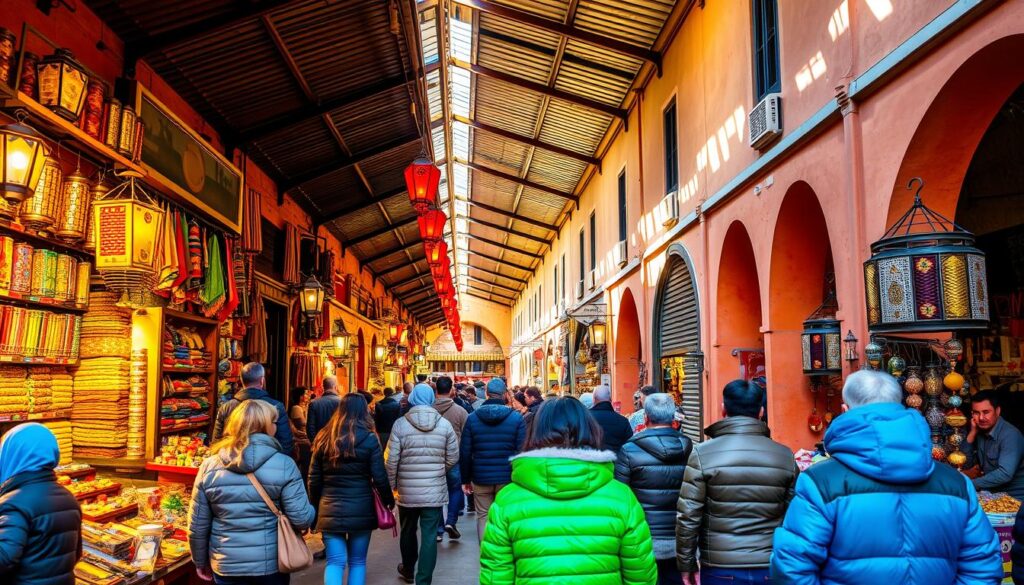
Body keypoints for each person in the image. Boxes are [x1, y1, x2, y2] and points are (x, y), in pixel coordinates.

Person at [771, 370, 1002, 585]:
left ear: (845, 410)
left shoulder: (820, 482)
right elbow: (982, 566)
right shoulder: (956, 484)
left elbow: (792, 567)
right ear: (898, 407)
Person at [479, 397, 657, 584]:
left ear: (535, 433)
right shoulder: (622, 498)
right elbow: (641, 575)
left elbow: (495, 576)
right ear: (591, 430)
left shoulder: (508, 501)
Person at [677, 380, 797, 585]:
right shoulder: (785, 456)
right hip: (770, 564)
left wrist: (686, 563)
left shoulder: (703, 453)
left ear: (723, 409)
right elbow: (794, 516)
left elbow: (688, 516)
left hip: (720, 566)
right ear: (760, 411)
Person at [189, 400, 315, 585]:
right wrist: (312, 511)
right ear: (267, 426)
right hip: (270, 564)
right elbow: (302, 517)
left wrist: (199, 560)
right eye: (273, 422)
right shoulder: (284, 464)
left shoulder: (210, 466)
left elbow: (197, 524)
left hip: (226, 562)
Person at [309, 394, 394, 585]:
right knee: (357, 561)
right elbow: (380, 476)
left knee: (335, 561)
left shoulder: (323, 437)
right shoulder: (370, 438)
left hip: (329, 507)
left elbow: (314, 480)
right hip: (361, 507)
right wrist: (388, 500)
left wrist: (314, 508)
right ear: (364, 411)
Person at [615, 394, 692, 585]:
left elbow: (621, 496)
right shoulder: (690, 448)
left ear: (646, 418)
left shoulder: (629, 450)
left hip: (643, 538)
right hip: (680, 539)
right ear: (673, 418)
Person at [386, 384, 459, 584]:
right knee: (429, 535)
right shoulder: (444, 425)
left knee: (408, 530)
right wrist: (438, 471)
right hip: (434, 491)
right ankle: (424, 579)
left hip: (407, 490)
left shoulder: (400, 424)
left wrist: (392, 486)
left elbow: (391, 460)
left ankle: (408, 568)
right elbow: (453, 456)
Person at [0, 423, 81, 585]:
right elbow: (76, 553)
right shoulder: (68, 497)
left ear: (12, 454)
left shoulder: (13, 503)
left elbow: (4, 559)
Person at [460, 377, 527, 540]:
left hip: (481, 476)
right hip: (507, 477)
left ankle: (485, 553)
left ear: (487, 394)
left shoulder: (472, 418)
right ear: (504, 394)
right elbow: (522, 451)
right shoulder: (516, 418)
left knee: (483, 516)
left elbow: (466, 451)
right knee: (506, 515)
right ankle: (503, 552)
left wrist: (465, 479)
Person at [213, 362, 293, 455]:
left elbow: (217, 442)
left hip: (232, 462)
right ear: (262, 381)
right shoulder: (276, 407)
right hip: (268, 461)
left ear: (241, 380)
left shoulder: (226, 407)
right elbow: (285, 444)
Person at [963, 390, 1024, 499]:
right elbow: (965, 464)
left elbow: (1005, 474)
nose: (981, 418)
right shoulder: (981, 431)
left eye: (986, 412)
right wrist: (972, 433)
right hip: (992, 494)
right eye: (976, 413)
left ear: (998, 411)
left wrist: (972, 484)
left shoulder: (1010, 435)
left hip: (1015, 498)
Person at [432, 376, 468, 542]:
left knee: (436, 492)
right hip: (454, 458)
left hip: (433, 458)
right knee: (454, 489)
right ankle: (451, 521)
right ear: (452, 390)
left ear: (436, 390)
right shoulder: (460, 411)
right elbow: (467, 436)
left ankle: (438, 529)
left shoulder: (429, 409)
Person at [589, 385, 633, 453]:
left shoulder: (584, 418)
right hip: (616, 461)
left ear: (594, 399)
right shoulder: (623, 421)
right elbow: (629, 446)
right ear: (610, 399)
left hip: (590, 461)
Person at [306, 376, 342, 445]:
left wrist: (315, 443)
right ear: (335, 387)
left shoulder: (314, 403)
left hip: (319, 443)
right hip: (337, 444)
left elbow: (310, 427)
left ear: (323, 387)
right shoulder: (342, 402)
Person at [289, 387, 312, 484]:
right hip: (301, 441)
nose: (307, 396)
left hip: (303, 440)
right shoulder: (296, 408)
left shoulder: (302, 408)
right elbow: (303, 424)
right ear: (300, 396)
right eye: (305, 394)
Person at [375, 387, 402, 454]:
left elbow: (376, 418)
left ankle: (382, 462)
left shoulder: (378, 404)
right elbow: (399, 418)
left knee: (382, 449)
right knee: (393, 449)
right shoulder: (397, 405)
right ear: (392, 393)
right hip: (393, 429)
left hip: (382, 430)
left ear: (384, 393)